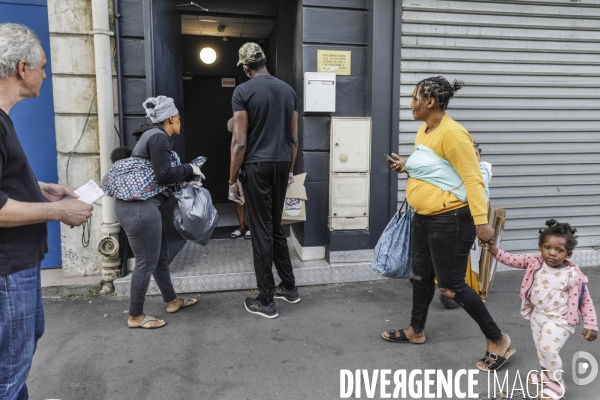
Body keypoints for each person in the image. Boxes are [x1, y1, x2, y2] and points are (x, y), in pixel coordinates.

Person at [384, 76, 514, 371]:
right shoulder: (425, 131)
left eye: (414, 98)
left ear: (430, 102)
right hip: (424, 218)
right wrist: (407, 167)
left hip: (451, 220)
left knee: (453, 285)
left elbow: (472, 180)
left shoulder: (454, 134)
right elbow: (438, 172)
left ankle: (498, 339)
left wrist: (482, 224)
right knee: (420, 276)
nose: (411, 103)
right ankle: (416, 330)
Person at [0, 23, 94, 399]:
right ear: (23, 68)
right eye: (42, 65)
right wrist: (59, 212)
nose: (45, 73)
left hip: (17, 265)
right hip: (8, 268)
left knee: (21, 349)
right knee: (10, 368)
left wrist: (44, 188)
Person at [115, 96, 203, 329]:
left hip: (141, 208)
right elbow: (164, 174)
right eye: (179, 117)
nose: (180, 121)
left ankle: (172, 301)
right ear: (171, 117)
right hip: (140, 210)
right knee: (146, 262)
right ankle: (135, 316)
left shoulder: (152, 136)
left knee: (159, 257)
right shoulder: (158, 137)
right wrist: (189, 169)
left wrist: (186, 178)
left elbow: (158, 176)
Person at [483, 220, 597, 399]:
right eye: (547, 247)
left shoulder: (573, 276)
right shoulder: (534, 261)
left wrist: (591, 324)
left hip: (560, 320)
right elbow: (511, 260)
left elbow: (586, 301)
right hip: (538, 315)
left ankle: (557, 384)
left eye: (559, 250)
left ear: (568, 253)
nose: (552, 253)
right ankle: (545, 376)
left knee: (548, 348)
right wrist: (492, 250)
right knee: (540, 348)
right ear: (540, 247)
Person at [228, 42, 299, 318]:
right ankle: (289, 287)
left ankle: (266, 301)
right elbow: (293, 138)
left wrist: (232, 180)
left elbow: (239, 141)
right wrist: (290, 169)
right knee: (276, 226)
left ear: (246, 68)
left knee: (260, 231)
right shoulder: (288, 90)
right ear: (265, 61)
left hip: (256, 166)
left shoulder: (243, 91)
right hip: (282, 163)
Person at [438, 142, 492, 309]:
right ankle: (453, 287)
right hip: (457, 219)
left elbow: (473, 185)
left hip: (473, 220)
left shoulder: (483, 169)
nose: (473, 158)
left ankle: (460, 291)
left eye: (476, 154)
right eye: (469, 155)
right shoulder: (458, 171)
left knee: (467, 258)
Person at [226, 117, 250, 240]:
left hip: (254, 160)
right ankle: (242, 226)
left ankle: (252, 227)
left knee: (253, 197)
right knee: (237, 196)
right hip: (238, 161)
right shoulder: (239, 115)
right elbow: (230, 126)